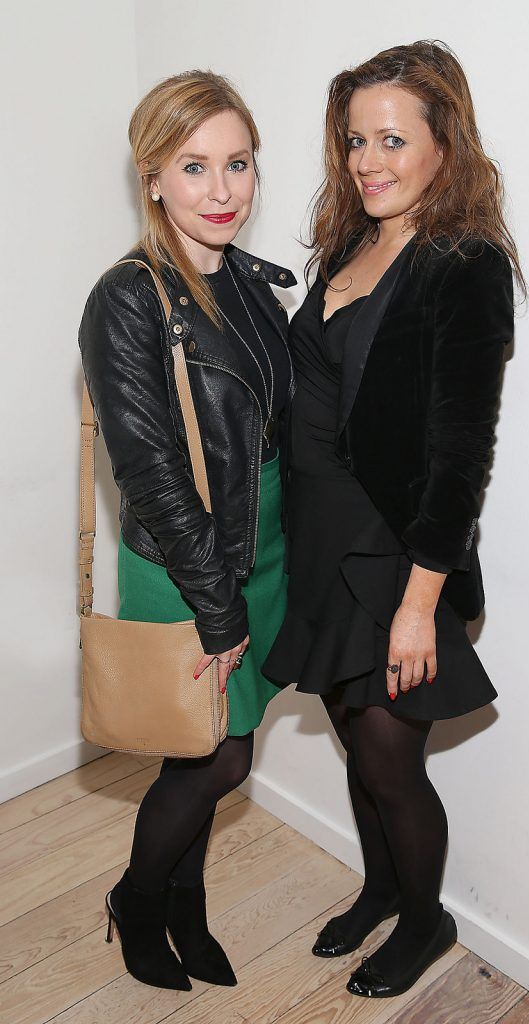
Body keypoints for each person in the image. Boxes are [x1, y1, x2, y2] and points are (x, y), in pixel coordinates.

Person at [264, 40, 522, 998]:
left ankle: (426, 919)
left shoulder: (466, 266)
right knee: (348, 734)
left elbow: (461, 458)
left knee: (387, 749)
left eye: (389, 139)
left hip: (395, 553)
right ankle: (379, 887)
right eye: (353, 140)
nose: (367, 160)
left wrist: (420, 605)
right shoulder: (349, 241)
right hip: (321, 544)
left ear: (442, 148)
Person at [79, 70, 295, 992]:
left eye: (237, 164)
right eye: (194, 166)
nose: (222, 191)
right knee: (216, 753)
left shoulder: (251, 285)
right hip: (189, 562)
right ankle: (138, 895)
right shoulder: (127, 299)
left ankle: (186, 899)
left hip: (266, 546)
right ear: (152, 177)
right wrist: (216, 607)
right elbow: (154, 477)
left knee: (201, 748)